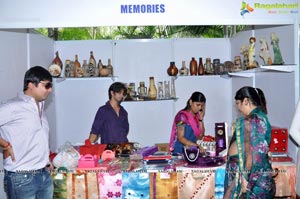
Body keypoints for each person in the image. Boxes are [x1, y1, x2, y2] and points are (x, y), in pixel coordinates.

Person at [0, 66, 54, 199]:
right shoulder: (12, 106)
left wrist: (46, 160)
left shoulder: (40, 108)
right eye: (47, 85)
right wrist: (5, 144)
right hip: (21, 178)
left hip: (44, 175)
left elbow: (37, 138)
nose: (50, 89)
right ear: (31, 85)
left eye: (50, 85)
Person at [224, 86, 275, 199]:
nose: (238, 108)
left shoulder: (253, 120)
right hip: (247, 173)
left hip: (251, 178)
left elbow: (255, 154)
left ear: (246, 101)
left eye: (238, 103)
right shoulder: (257, 118)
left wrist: (246, 179)